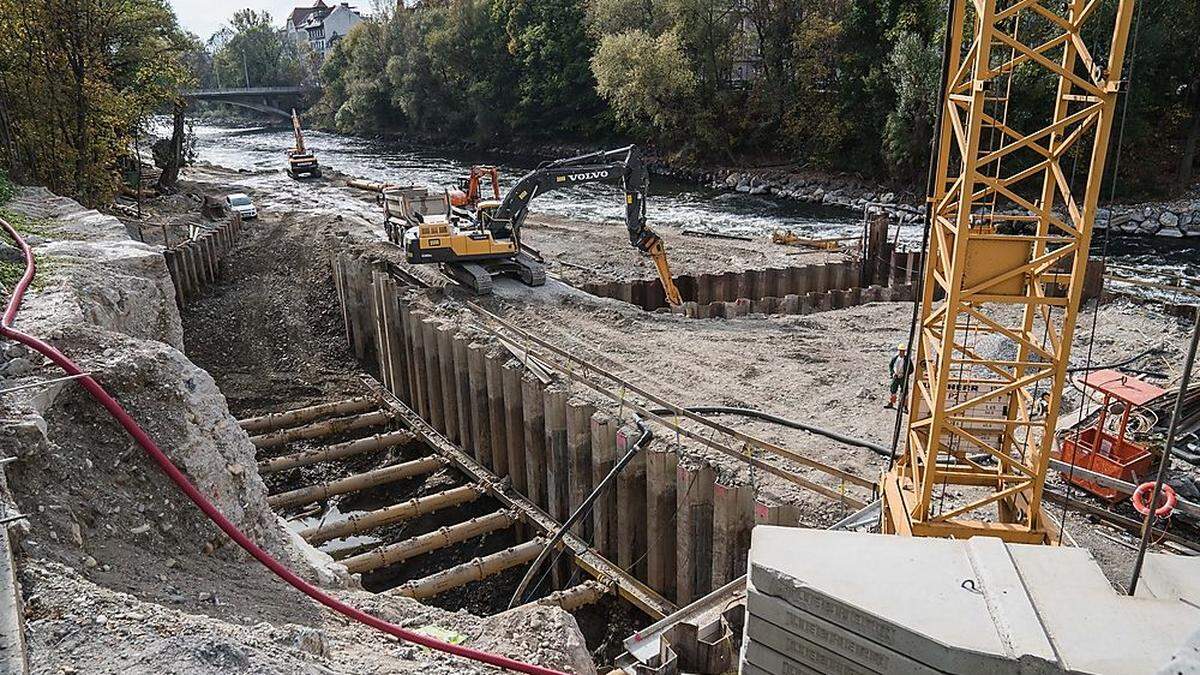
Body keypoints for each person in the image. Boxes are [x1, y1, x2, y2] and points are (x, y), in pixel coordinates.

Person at [886, 344, 913, 410]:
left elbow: (911, 369)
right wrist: (892, 373)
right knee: (893, 390)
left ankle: (904, 406)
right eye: (901, 351)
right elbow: (891, 366)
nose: (902, 352)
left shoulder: (907, 360)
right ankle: (891, 403)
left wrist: (905, 375)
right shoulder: (895, 358)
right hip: (895, 377)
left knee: (904, 391)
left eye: (903, 351)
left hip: (903, 378)